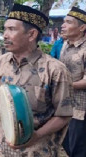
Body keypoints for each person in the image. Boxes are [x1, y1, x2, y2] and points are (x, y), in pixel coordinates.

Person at [0, 4, 74, 156]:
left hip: (37, 150)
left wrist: (35, 136)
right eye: (5, 29)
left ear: (31, 34)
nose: (5, 35)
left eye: (12, 29)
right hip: (1, 148)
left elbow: (63, 115)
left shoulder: (55, 70)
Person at [60, 7, 86, 157]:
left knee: (78, 148)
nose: (63, 25)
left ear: (82, 27)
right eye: (63, 22)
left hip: (81, 109)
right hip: (65, 105)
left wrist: (62, 85)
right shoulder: (65, 45)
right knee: (65, 141)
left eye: (69, 22)